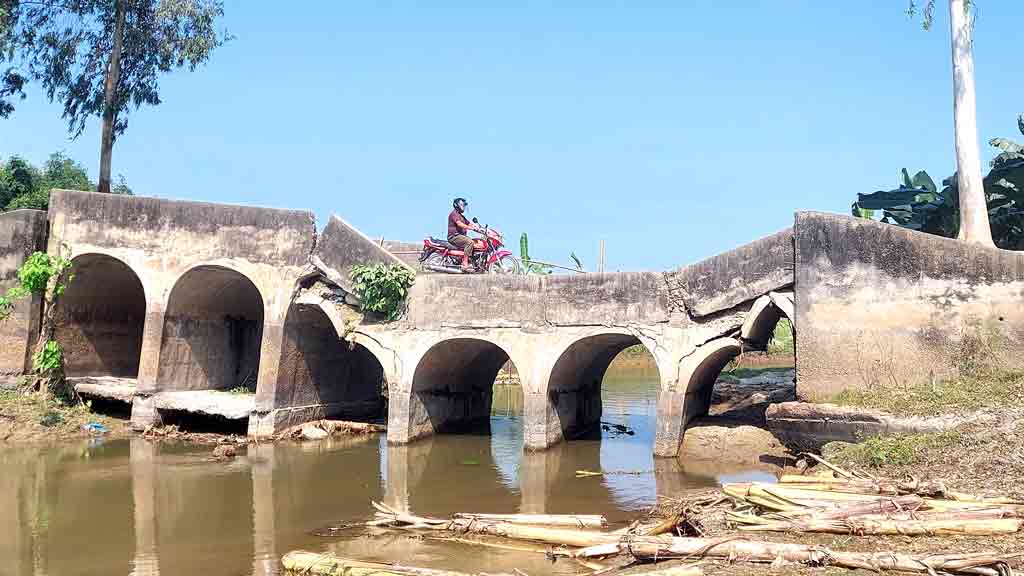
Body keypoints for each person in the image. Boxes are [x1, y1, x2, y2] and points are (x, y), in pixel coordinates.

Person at [447, 197, 479, 272]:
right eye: (462, 205)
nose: (464, 207)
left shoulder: (461, 216)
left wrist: (478, 227)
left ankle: (472, 261)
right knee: (470, 242)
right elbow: (459, 224)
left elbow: (469, 223)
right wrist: (470, 228)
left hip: (460, 236)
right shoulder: (454, 214)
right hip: (454, 236)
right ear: (457, 205)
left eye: (464, 205)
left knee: (476, 243)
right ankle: (465, 263)